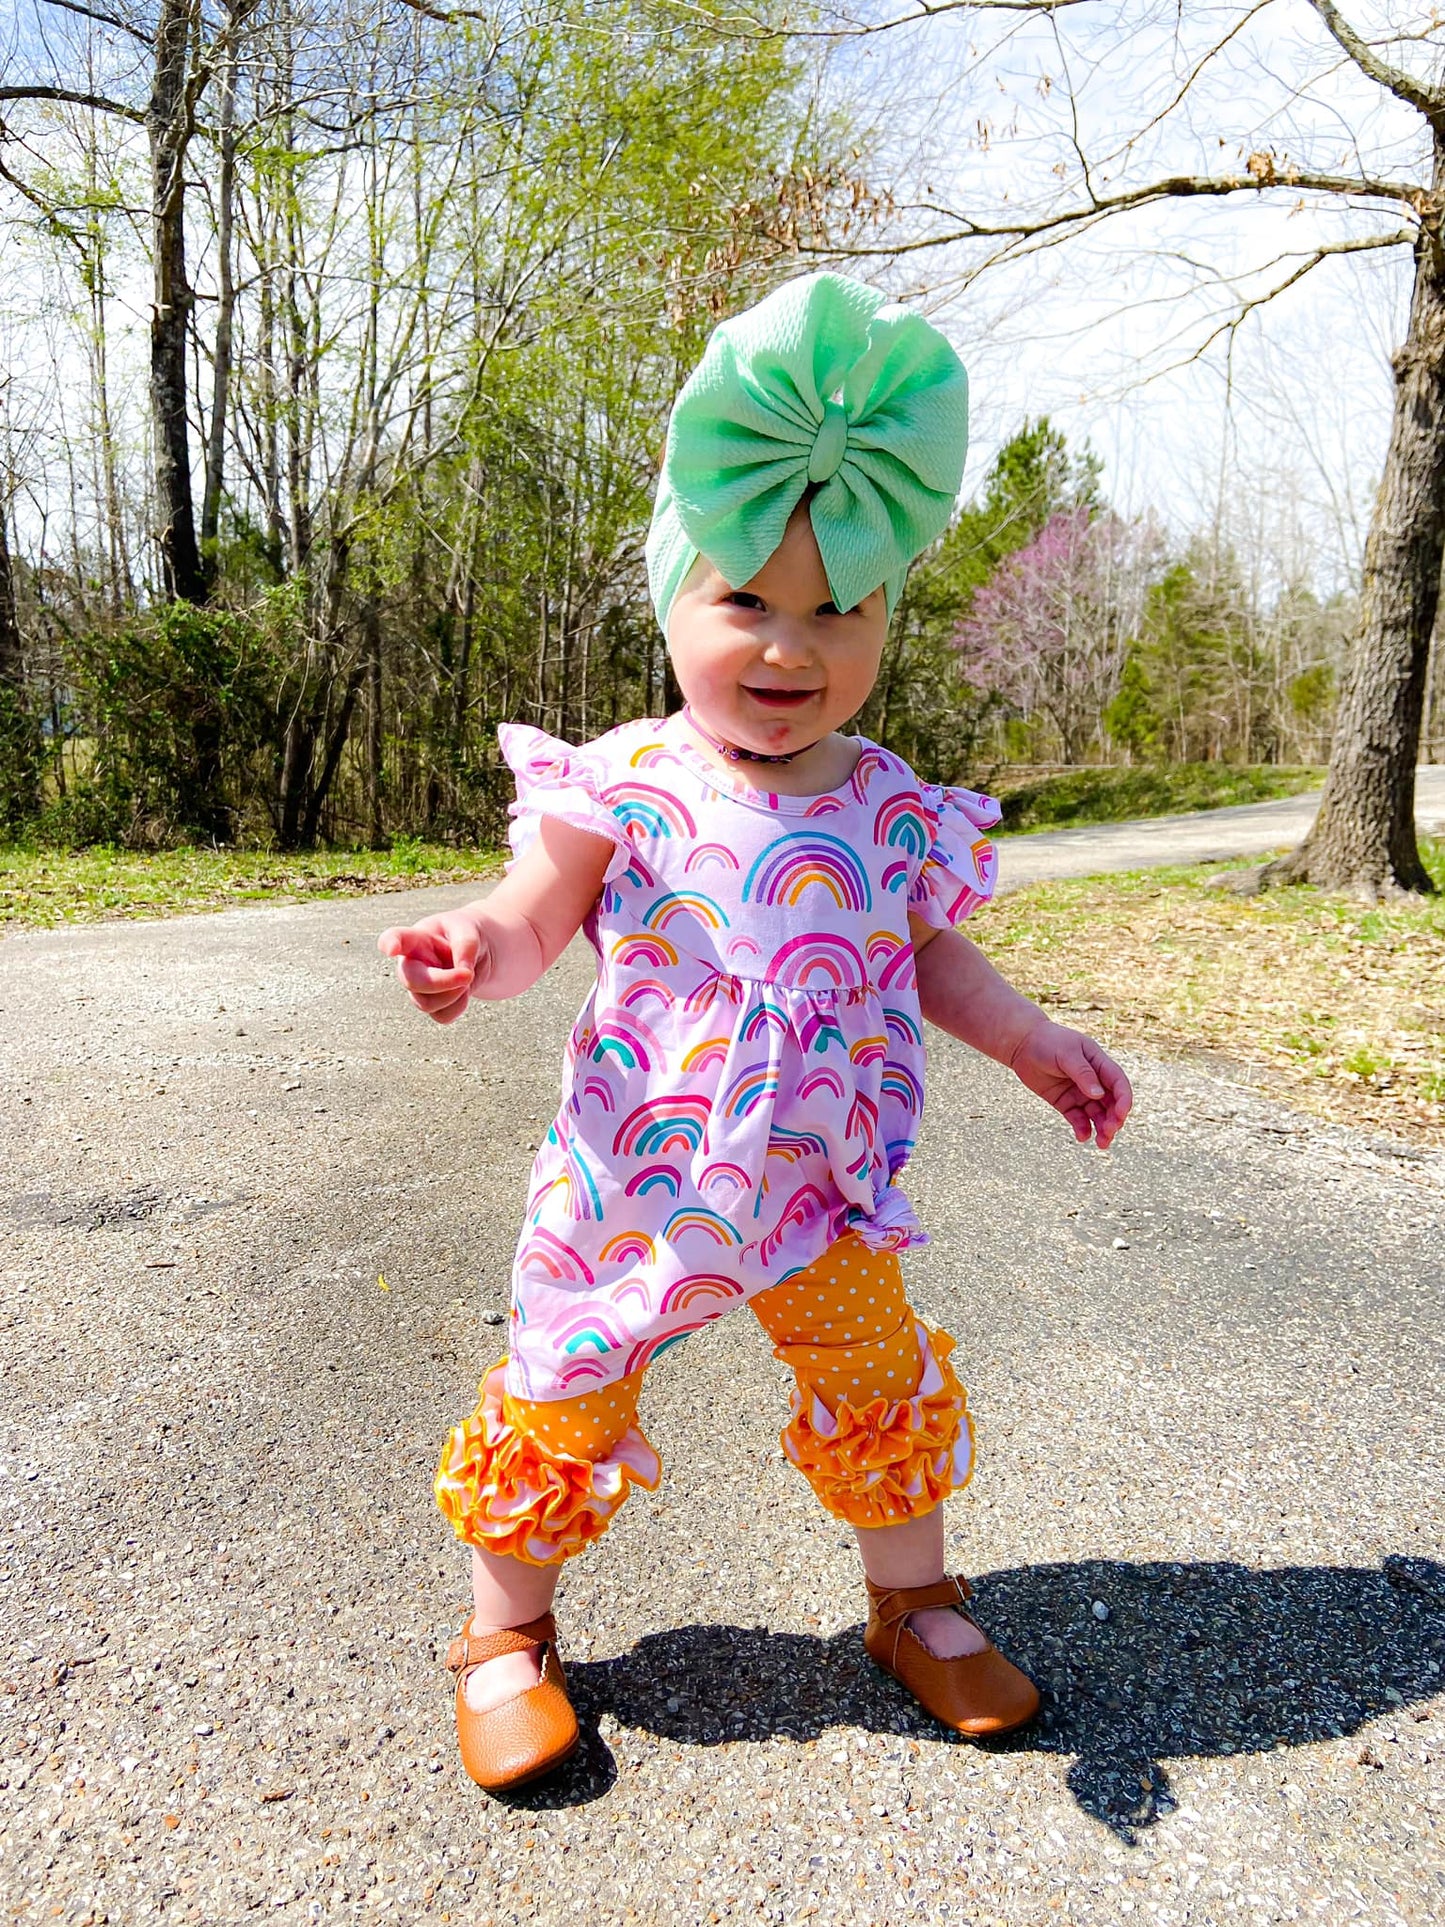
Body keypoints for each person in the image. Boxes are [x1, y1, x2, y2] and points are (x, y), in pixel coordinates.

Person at [379, 273, 1132, 1794]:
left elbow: (927, 957)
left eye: (835, 609)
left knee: (878, 1378)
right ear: (671, 597)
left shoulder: (882, 801)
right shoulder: (626, 779)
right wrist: (477, 946)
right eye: (745, 601)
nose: (789, 647)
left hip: (819, 1192)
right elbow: (535, 915)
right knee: (560, 1388)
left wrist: (1034, 1038)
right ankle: (506, 1635)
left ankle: (912, 1601)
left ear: (880, 622)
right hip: (630, 1188)